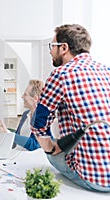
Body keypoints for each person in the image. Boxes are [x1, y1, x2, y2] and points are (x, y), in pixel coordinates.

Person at [32, 24, 110, 192]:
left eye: (53, 46)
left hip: (94, 179)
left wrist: (53, 147)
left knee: (49, 152)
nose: (51, 51)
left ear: (64, 48)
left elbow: (39, 123)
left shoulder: (61, 74)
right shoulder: (107, 70)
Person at [0, 79, 54, 151]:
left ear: (35, 98)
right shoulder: (26, 114)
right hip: (20, 153)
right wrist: (2, 132)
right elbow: (17, 137)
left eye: (25, 94)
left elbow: (34, 144)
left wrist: (7, 133)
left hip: (35, 157)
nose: (22, 97)